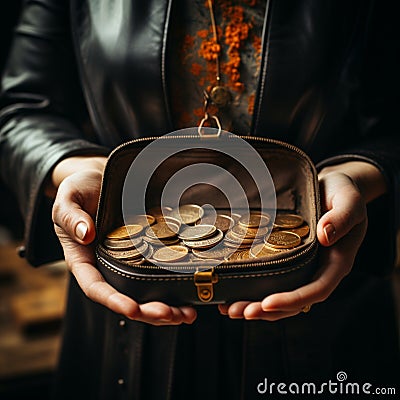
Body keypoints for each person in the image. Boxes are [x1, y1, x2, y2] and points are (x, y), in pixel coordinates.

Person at [1, 0, 399, 399]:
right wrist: (77, 169)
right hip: (127, 309)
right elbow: (22, 111)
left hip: (320, 312)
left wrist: (360, 175)